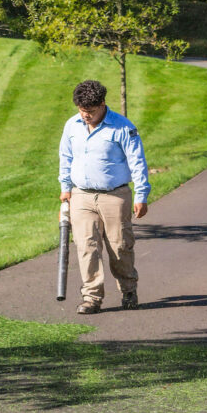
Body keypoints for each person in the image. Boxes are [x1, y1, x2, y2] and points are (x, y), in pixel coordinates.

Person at [58, 80, 150, 315]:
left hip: (115, 195)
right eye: (81, 110)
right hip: (81, 195)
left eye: (90, 111)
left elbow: (136, 161)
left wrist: (141, 194)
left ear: (102, 104)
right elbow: (65, 157)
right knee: (86, 246)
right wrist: (65, 188)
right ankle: (91, 297)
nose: (85, 115)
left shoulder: (122, 127)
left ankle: (128, 289)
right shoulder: (72, 126)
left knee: (119, 247)